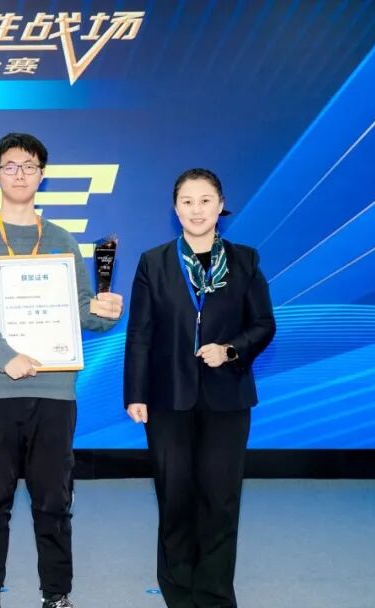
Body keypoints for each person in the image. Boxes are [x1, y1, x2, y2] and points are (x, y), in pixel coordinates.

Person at [0, 133, 124, 608]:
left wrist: (105, 312)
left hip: (54, 390)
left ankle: (57, 594)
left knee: (53, 501)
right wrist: (6, 356)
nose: (20, 174)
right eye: (10, 166)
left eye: (29, 166)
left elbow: (81, 312)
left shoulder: (63, 240)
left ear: (42, 175)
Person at [124, 168, 276, 608]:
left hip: (227, 398)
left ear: (220, 205)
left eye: (205, 200)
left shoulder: (245, 260)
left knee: (220, 500)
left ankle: (214, 596)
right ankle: (178, 594)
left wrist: (230, 350)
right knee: (175, 498)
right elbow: (140, 333)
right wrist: (135, 393)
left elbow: (264, 324)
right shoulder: (154, 262)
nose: (196, 210)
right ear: (176, 208)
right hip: (167, 397)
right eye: (187, 201)